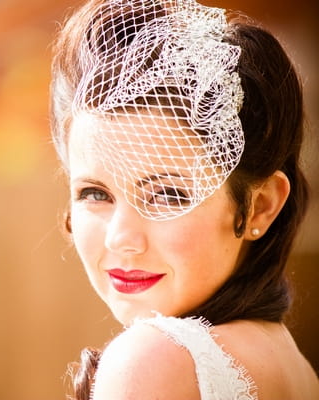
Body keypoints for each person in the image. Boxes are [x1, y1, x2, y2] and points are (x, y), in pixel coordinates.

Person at [49, 0, 319, 399]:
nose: (120, 239)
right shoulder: (296, 368)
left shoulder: (153, 362)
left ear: (260, 205)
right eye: (95, 193)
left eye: (167, 195)